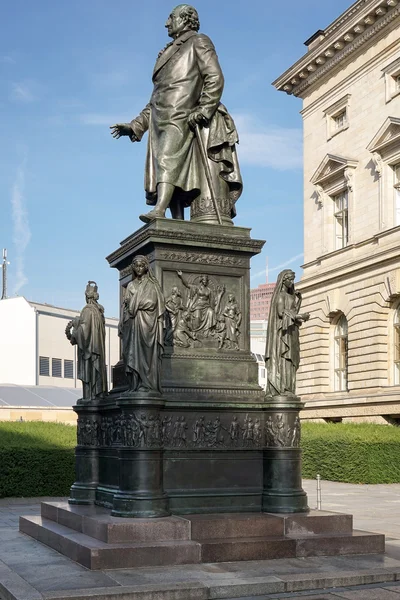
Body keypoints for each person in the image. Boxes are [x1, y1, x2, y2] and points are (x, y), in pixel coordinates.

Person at [110, 4, 242, 224]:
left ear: (185, 19)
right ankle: (176, 220)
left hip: (182, 112)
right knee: (165, 166)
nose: (166, 22)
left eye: (171, 17)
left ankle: (159, 209)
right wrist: (135, 126)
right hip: (160, 117)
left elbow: (214, 77)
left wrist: (204, 109)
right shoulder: (167, 51)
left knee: (166, 160)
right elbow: (156, 97)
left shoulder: (199, 41)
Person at [119, 255, 165, 393]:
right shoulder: (131, 285)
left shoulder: (152, 285)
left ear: (146, 267)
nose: (139, 268)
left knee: (146, 355)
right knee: (131, 354)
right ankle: (134, 384)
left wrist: (134, 305)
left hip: (147, 324)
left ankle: (147, 384)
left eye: (141, 266)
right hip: (132, 326)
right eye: (136, 266)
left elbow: (152, 302)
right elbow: (126, 306)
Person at [265, 270, 310, 396]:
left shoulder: (291, 296)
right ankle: (282, 388)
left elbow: (292, 312)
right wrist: (299, 315)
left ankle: (289, 388)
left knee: (291, 361)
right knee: (284, 359)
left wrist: (299, 301)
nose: (292, 282)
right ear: (283, 280)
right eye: (289, 279)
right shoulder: (280, 295)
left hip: (291, 332)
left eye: (293, 279)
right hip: (283, 333)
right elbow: (281, 313)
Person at [66, 281, 107, 401]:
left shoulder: (87, 310)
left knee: (89, 373)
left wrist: (74, 327)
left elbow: (84, 332)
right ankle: (94, 394)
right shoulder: (98, 312)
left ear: (86, 296)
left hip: (89, 351)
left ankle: (89, 396)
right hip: (97, 350)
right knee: (94, 372)